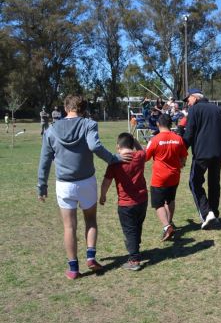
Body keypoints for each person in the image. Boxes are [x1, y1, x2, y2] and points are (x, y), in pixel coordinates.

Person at [37, 95, 131, 279]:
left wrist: (41, 186)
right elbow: (94, 146)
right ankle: (90, 256)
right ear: (84, 109)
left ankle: (73, 269)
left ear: (66, 108)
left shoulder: (51, 130)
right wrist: (113, 158)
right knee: (91, 220)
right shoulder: (89, 124)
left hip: (64, 184)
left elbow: (45, 160)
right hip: (86, 181)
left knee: (69, 227)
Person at [100, 133, 148, 271]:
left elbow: (106, 182)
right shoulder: (139, 156)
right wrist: (136, 142)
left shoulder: (115, 162)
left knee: (129, 230)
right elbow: (143, 151)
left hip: (126, 204)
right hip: (142, 200)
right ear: (132, 145)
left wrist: (103, 196)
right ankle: (136, 249)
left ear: (117, 147)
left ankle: (134, 259)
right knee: (137, 226)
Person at [182, 88, 221, 229]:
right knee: (214, 184)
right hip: (217, 152)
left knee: (194, 182)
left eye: (188, 99)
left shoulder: (194, 110)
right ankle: (214, 213)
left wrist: (181, 151)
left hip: (202, 153)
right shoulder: (216, 109)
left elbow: (189, 134)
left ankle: (207, 213)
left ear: (195, 97)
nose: (188, 103)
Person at [145, 114, 188, 241]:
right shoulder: (178, 139)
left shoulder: (155, 139)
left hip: (159, 177)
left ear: (158, 124)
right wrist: (181, 164)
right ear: (171, 124)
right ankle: (169, 222)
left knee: (158, 204)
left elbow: (145, 157)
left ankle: (166, 226)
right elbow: (184, 156)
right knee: (170, 200)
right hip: (174, 175)